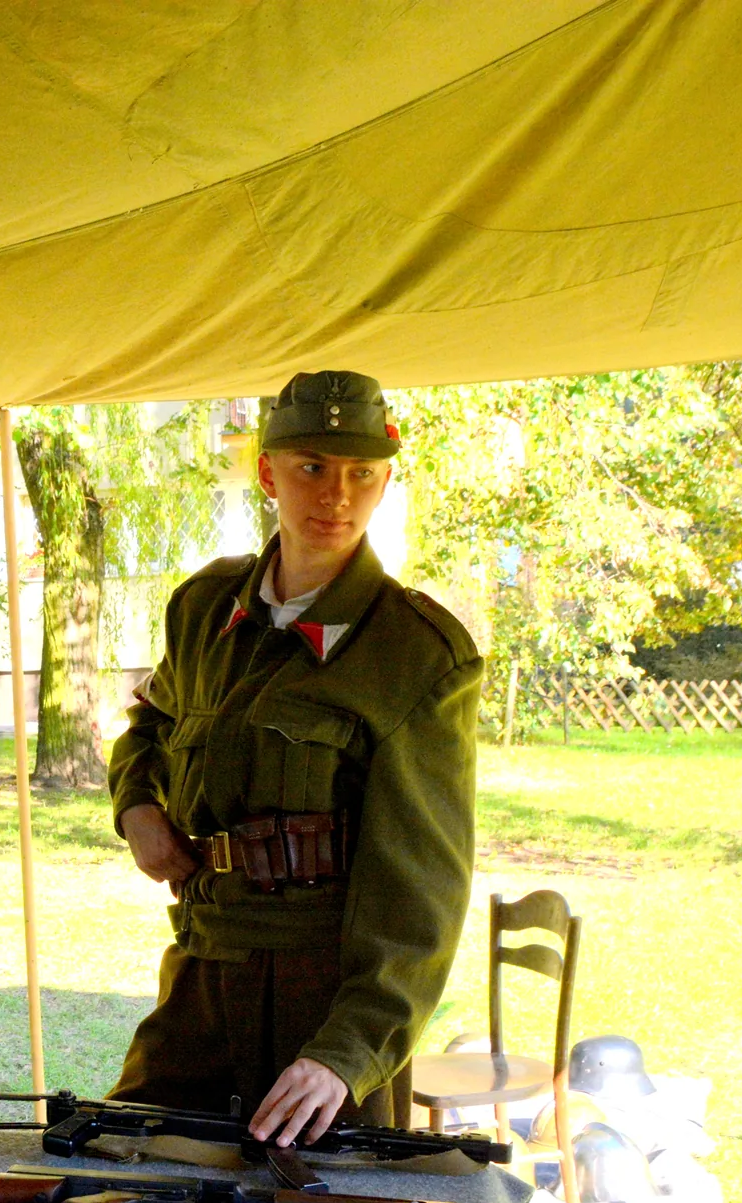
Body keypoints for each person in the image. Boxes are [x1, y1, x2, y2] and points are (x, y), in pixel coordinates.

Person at [108, 370, 480, 1146]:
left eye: (361, 474)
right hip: (202, 975)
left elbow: (422, 896)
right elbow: (149, 726)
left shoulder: (415, 654)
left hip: (323, 1009)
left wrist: (345, 1057)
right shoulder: (208, 609)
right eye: (312, 467)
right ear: (268, 472)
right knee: (126, 1161)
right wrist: (138, 807)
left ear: (384, 482)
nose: (336, 495)